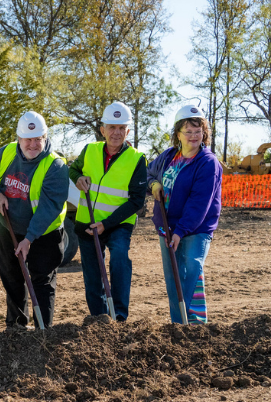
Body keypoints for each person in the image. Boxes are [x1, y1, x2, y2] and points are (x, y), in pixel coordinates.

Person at [0, 111, 69, 329]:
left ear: (45, 137)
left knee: (42, 280)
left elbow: (48, 208)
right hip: (9, 227)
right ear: (19, 138)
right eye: (28, 139)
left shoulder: (56, 166)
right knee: (12, 277)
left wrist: (29, 239)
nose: (33, 144)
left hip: (45, 233)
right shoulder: (5, 153)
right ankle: (16, 328)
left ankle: (43, 330)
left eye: (38, 139)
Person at [69, 101, 147, 322]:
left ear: (128, 132)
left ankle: (119, 316)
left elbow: (137, 201)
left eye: (122, 128)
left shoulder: (137, 159)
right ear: (103, 130)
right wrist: (78, 178)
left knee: (119, 259)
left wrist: (107, 224)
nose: (116, 132)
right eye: (112, 127)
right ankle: (99, 319)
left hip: (119, 224)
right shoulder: (89, 150)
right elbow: (73, 170)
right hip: (87, 222)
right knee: (93, 274)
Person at [147, 104, 222, 324]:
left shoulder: (207, 162)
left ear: (204, 133)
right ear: (178, 134)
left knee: (190, 273)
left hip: (195, 229)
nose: (193, 136)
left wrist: (180, 231)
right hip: (167, 226)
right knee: (174, 280)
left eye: (198, 131)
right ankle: (179, 326)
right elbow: (148, 173)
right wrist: (153, 185)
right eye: (188, 131)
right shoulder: (169, 156)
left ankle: (195, 325)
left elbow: (199, 204)